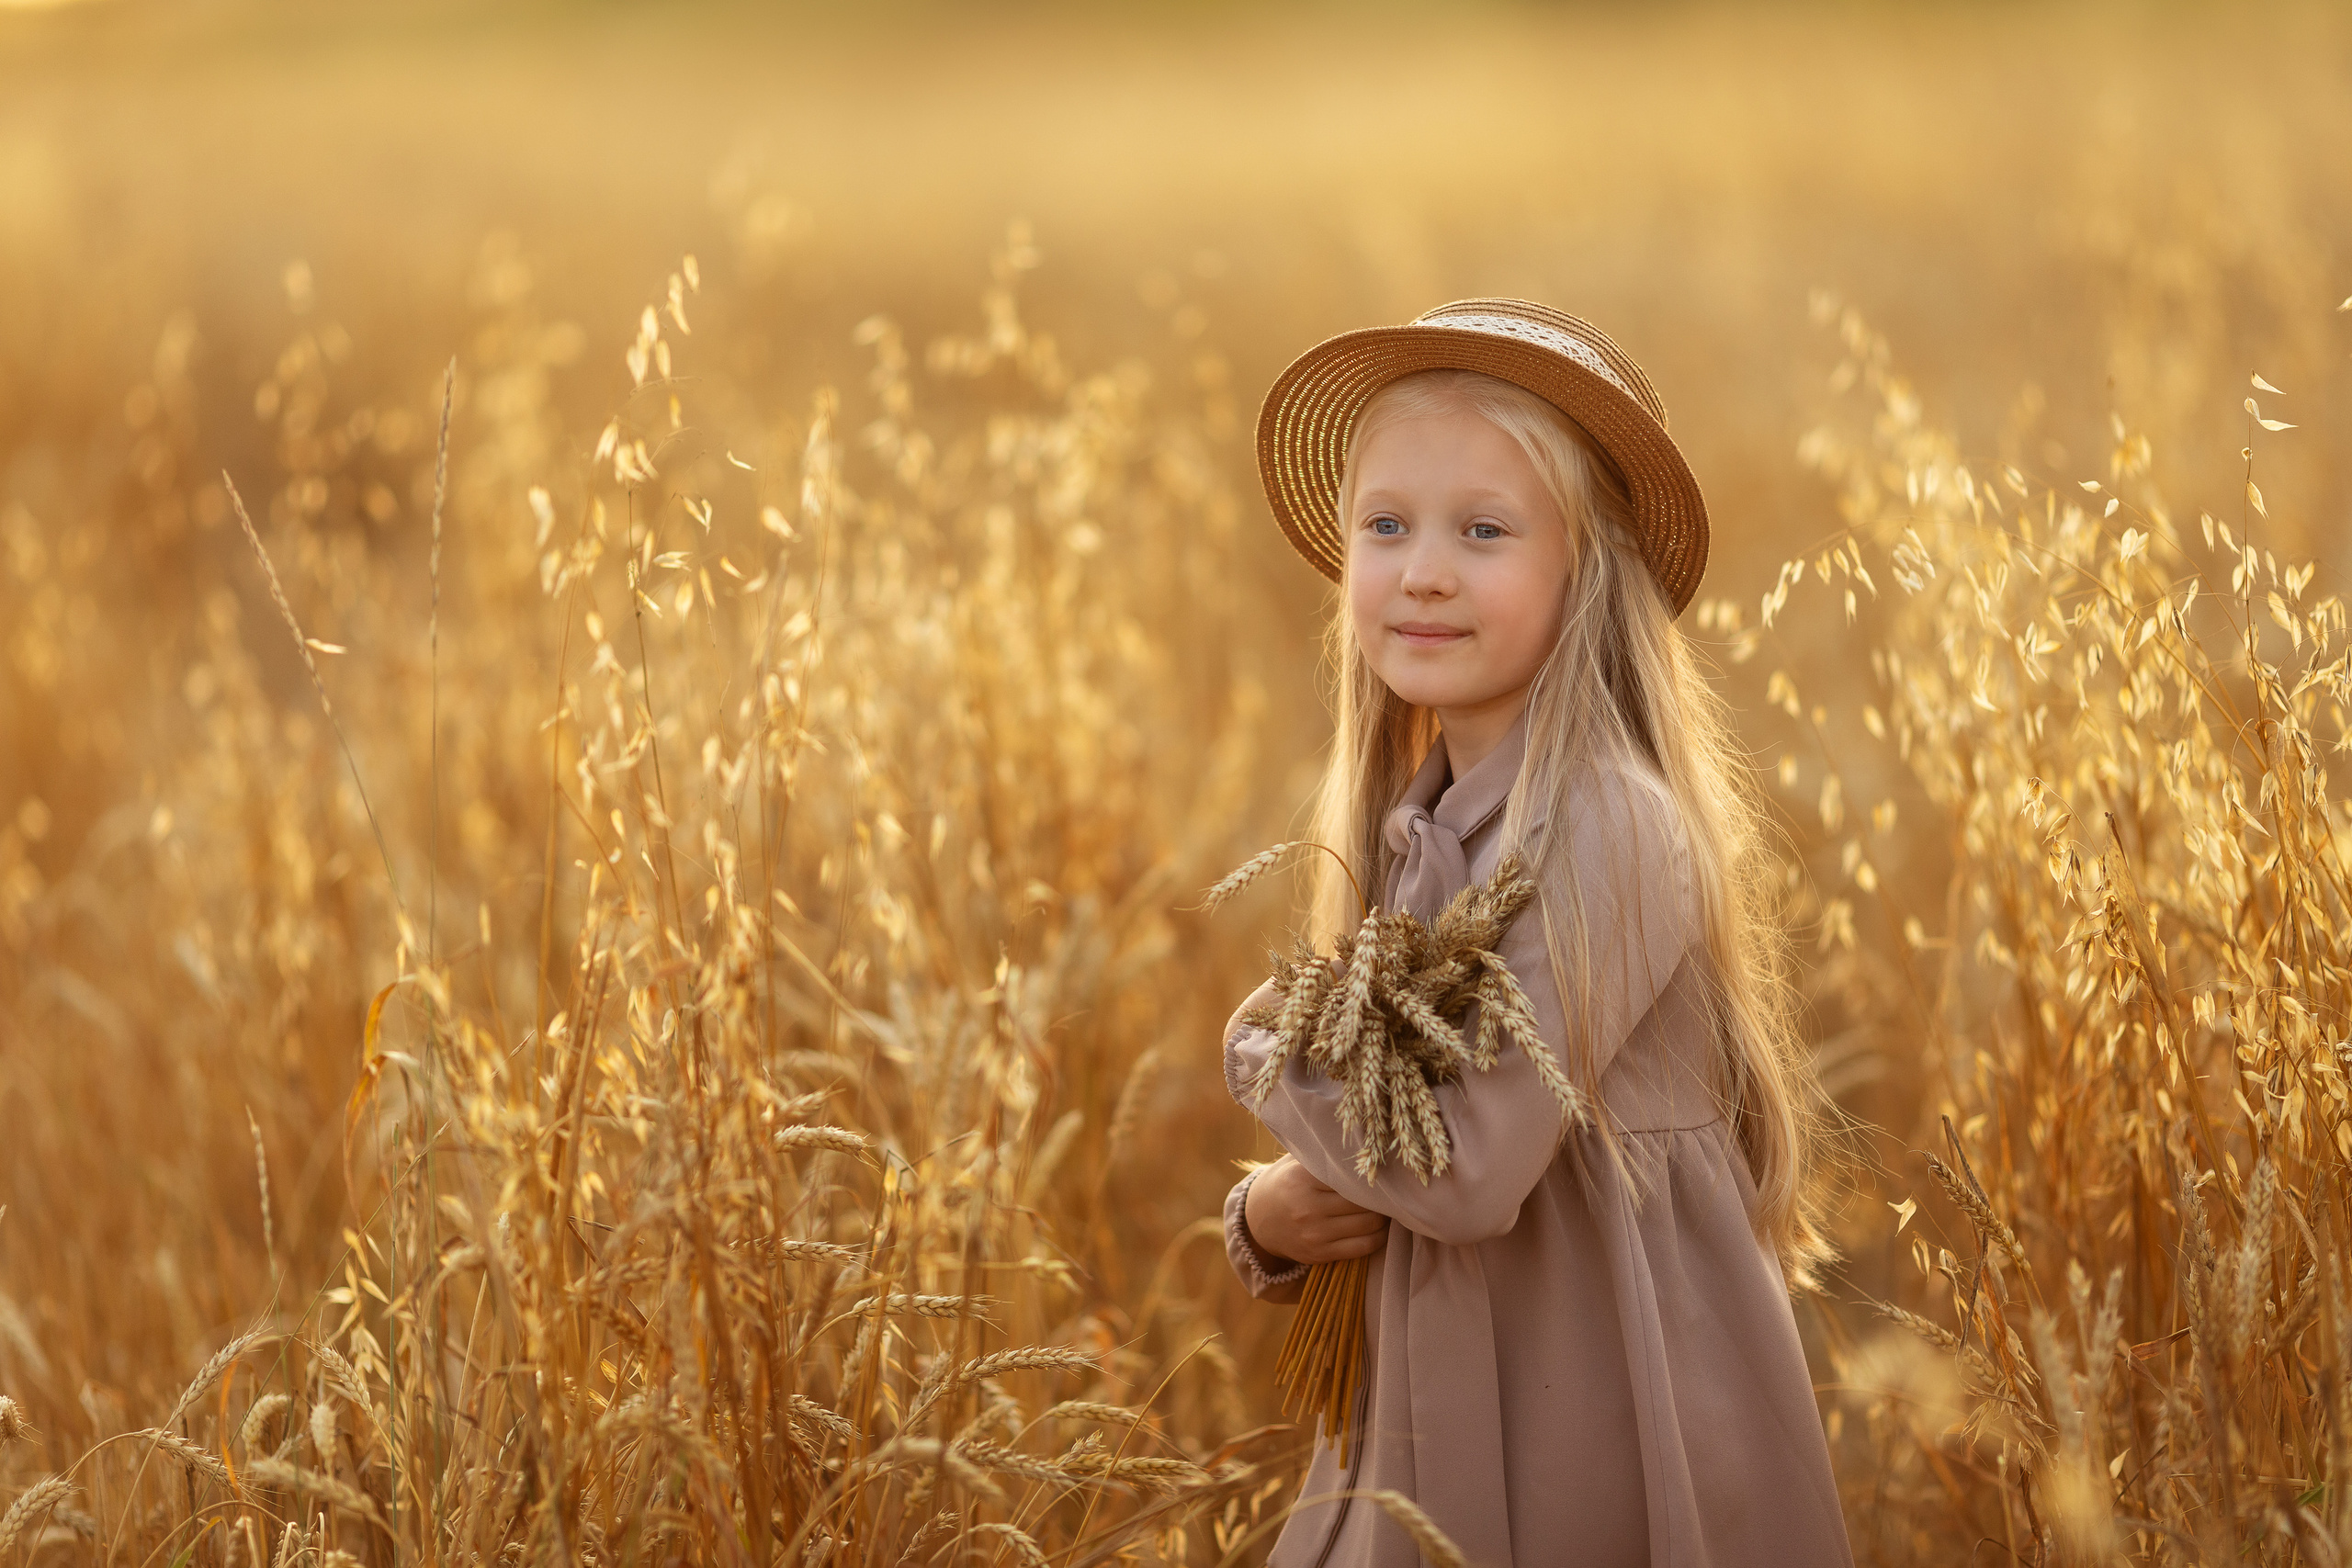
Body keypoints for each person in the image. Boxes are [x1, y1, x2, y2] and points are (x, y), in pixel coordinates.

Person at [1220, 300, 1852, 1567]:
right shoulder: (1419, 826)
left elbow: (1457, 1164)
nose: (1426, 569)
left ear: (1586, 572)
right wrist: (1271, 1224)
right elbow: (1393, 1130)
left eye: (1485, 532)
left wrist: (1258, 1045)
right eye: (1386, 526)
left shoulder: (1615, 828)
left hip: (1603, 1413)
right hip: (1434, 1414)